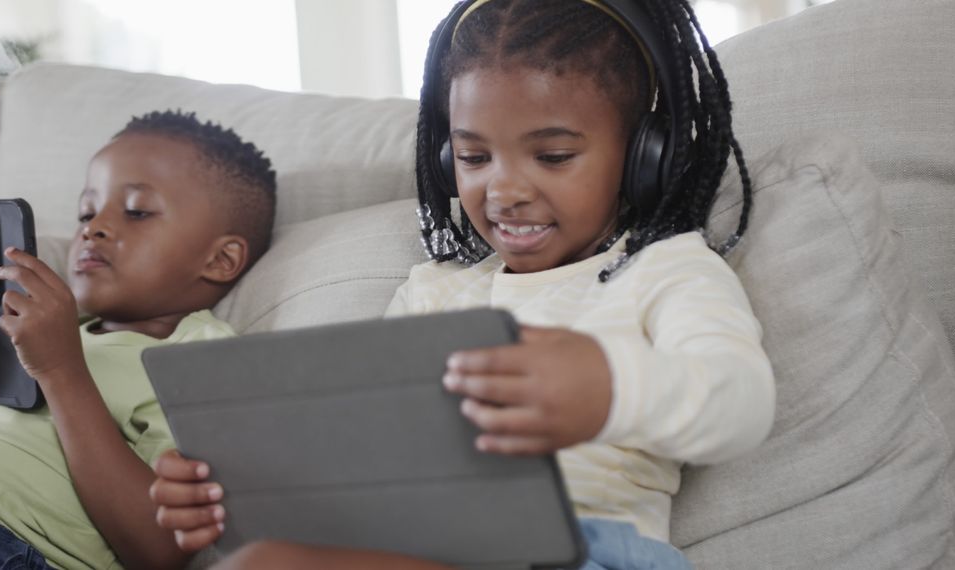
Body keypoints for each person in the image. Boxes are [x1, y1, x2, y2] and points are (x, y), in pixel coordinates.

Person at [150, 0, 774, 568]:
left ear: (646, 156)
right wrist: (230, 486)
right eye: (474, 158)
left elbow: (741, 402)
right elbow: (368, 451)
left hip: (588, 552)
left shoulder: (665, 269)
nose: (503, 191)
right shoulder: (433, 292)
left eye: (552, 156)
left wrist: (610, 389)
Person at [0, 110, 277, 569]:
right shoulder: (47, 332)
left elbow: (161, 547)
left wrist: (61, 370)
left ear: (220, 259)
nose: (91, 228)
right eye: (86, 212)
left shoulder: (203, 356)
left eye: (137, 211)